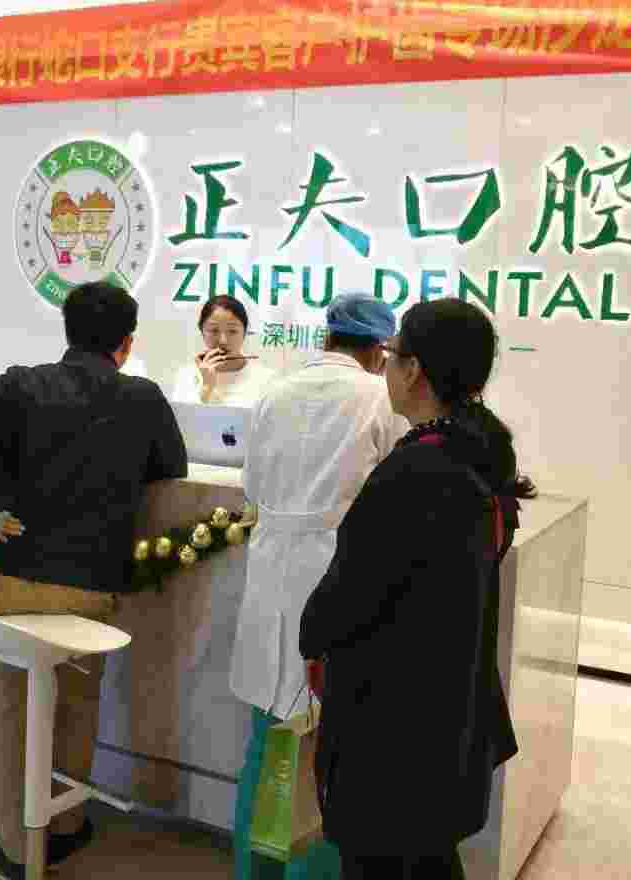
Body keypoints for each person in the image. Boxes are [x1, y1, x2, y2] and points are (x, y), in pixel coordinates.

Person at [0, 281, 188, 880]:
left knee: (11, 716)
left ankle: (15, 847)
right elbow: (171, 469)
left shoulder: (25, 383)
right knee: (76, 708)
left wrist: (2, 484)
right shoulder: (142, 397)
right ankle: (67, 827)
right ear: (126, 343)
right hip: (90, 582)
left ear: (68, 331)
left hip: (14, 576)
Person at [299, 298, 535, 880]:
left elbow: (349, 595)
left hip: (393, 734)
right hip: (447, 721)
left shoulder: (416, 473)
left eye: (394, 354)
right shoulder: (477, 455)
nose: (385, 367)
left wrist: (312, 633)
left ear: (415, 371)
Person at [230, 293, 407, 880]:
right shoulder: (380, 398)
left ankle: (254, 868)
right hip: (337, 576)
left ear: (327, 337)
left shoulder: (274, 391)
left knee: (268, 738)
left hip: (271, 573)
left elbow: (252, 485)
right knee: (331, 744)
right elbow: (395, 488)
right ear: (379, 351)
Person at [170, 295, 277, 406]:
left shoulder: (266, 379)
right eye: (214, 330)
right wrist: (206, 387)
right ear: (202, 331)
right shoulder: (187, 376)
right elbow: (183, 416)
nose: (223, 341)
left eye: (232, 331)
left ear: (245, 333)